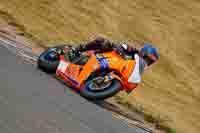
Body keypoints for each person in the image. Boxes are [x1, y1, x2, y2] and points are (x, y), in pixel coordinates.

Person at [73, 37, 159, 68]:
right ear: (144, 53)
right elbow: (121, 45)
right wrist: (122, 53)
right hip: (106, 57)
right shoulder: (132, 51)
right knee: (103, 41)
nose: (147, 62)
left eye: (150, 62)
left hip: (112, 67)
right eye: (148, 59)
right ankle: (78, 49)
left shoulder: (136, 69)